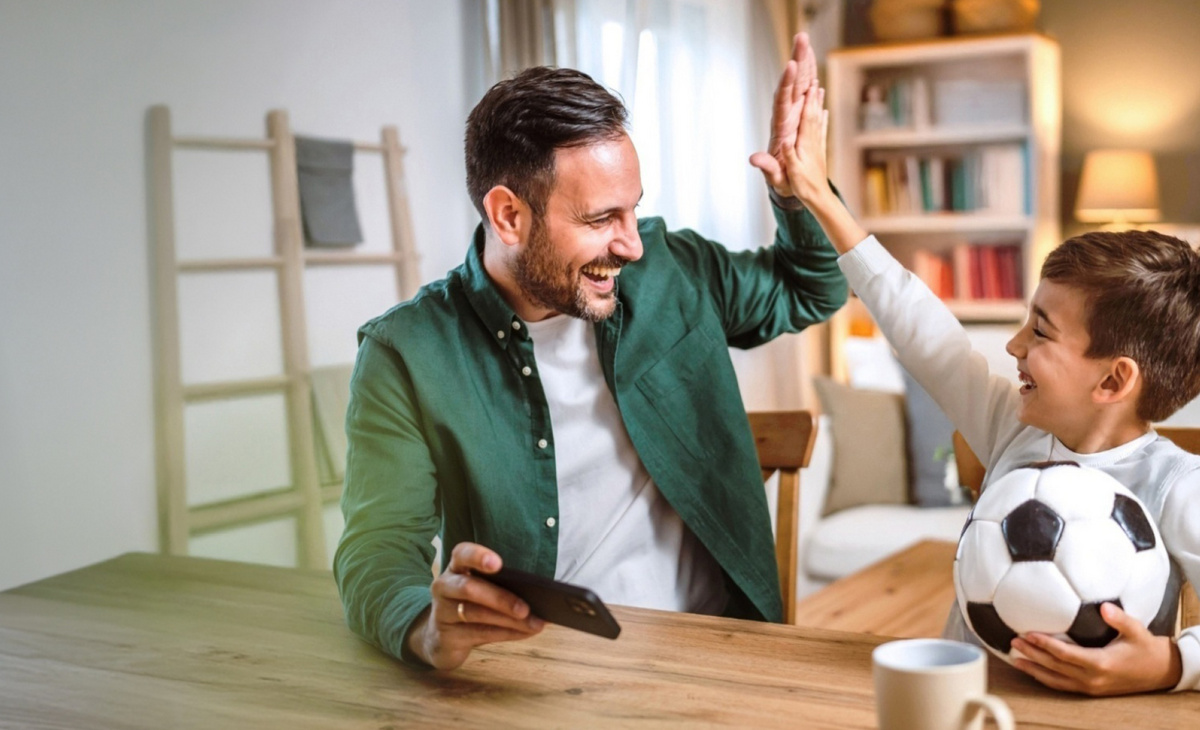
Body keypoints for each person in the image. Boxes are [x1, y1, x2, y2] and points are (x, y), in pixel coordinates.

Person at [334, 33, 848, 670]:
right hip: (539, 671)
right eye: (602, 219)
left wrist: (801, 192)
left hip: (718, 649)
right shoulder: (407, 354)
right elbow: (377, 550)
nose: (632, 245)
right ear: (508, 216)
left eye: (633, 211)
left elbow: (812, 287)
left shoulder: (672, 271)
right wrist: (424, 628)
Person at [778, 79, 1200, 694]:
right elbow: (920, 326)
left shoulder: (1178, 487)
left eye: (1040, 331)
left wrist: (1168, 664)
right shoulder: (1010, 427)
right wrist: (817, 193)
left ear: (1113, 380)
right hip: (963, 704)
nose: (1013, 346)